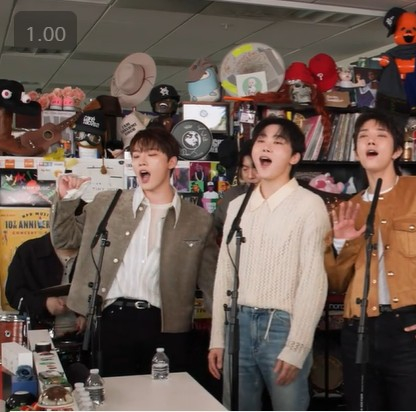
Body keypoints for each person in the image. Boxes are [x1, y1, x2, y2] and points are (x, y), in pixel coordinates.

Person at [51, 127, 218, 377]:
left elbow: (212, 283)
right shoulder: (108, 203)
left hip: (167, 325)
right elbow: (65, 238)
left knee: (165, 394)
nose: (141, 161)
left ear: (172, 162)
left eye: (151, 155)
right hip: (112, 319)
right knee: (115, 394)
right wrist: (66, 201)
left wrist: (219, 339)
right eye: (136, 155)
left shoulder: (198, 219)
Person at [325, 111, 416, 410]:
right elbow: (336, 282)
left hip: (411, 327)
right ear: (356, 150)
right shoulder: (348, 208)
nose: (371, 141)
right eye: (363, 136)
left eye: (380, 135)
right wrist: (341, 242)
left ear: (397, 150)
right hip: (358, 328)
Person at [207, 117, 330, 411]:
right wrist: (218, 338)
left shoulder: (310, 205)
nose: (266, 147)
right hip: (238, 322)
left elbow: (314, 280)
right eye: (261, 140)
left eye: (277, 142)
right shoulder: (237, 206)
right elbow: (224, 273)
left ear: (294, 157)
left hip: (282, 326)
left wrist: (298, 346)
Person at [5, 233, 78, 336]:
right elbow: (13, 294)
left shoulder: (92, 252)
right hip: (37, 335)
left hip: (84, 337)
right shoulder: (28, 251)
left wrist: (84, 315)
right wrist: (44, 304)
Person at [213, 140, 258, 238]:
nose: (250, 175)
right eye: (245, 169)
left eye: (256, 168)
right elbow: (214, 226)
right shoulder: (231, 195)